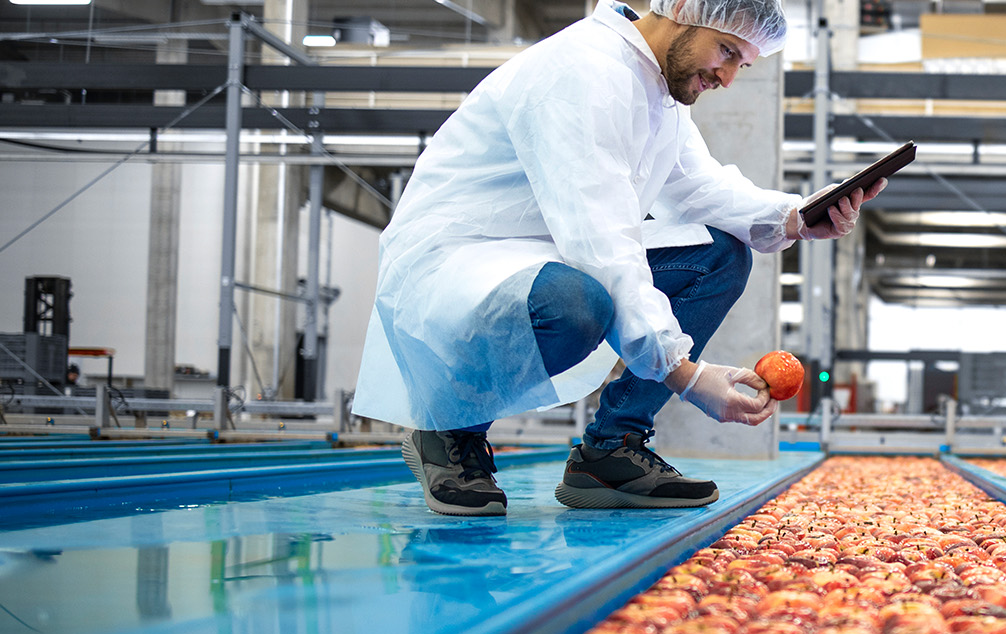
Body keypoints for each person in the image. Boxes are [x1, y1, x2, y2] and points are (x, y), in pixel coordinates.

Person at [352, 0, 881, 516]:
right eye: (725, 51)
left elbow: (699, 188)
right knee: (575, 305)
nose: (726, 77)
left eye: (741, 63)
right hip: (463, 262)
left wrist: (798, 215)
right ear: (683, 10)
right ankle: (449, 428)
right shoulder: (583, 71)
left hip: (550, 254)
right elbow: (601, 240)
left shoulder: (655, 88)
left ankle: (610, 450)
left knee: (719, 255)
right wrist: (685, 375)